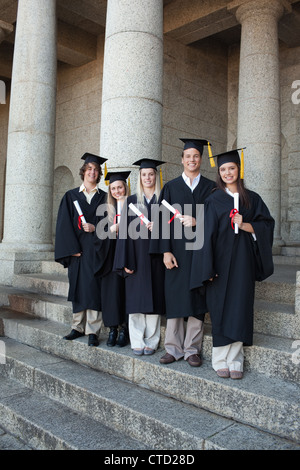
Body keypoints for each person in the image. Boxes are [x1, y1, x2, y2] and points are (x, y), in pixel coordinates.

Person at [190, 148, 275, 379]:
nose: (228, 172)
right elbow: (205, 236)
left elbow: (267, 225)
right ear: (219, 172)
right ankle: (220, 359)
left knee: (239, 308)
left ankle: (236, 359)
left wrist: (246, 224)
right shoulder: (213, 200)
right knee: (220, 309)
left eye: (232, 168)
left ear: (239, 169)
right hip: (218, 265)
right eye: (223, 169)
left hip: (243, 264)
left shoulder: (252, 199)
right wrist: (206, 268)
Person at [150, 138, 215, 367]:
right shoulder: (171, 187)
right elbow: (161, 221)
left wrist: (198, 220)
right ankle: (173, 349)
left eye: (196, 156)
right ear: (182, 160)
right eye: (188, 156)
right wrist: (165, 251)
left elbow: (217, 219)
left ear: (201, 160)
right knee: (176, 298)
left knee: (197, 299)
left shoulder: (210, 188)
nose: (192, 160)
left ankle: (192, 350)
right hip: (176, 252)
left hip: (200, 253)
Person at [113, 158, 165, 356]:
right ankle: (136, 340)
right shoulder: (131, 202)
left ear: (156, 176)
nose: (148, 178)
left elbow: (174, 228)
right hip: (135, 256)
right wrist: (125, 261)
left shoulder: (163, 200)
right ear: (140, 177)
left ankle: (151, 340)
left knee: (154, 299)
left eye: (151, 174)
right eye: (144, 174)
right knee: (136, 300)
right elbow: (124, 234)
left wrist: (159, 228)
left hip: (156, 257)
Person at [55, 152, 107, 346]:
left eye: (96, 169)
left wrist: (95, 228)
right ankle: (77, 327)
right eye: (89, 169)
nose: (92, 172)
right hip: (78, 251)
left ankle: (93, 330)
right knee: (77, 287)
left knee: (94, 288)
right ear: (84, 171)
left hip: (97, 250)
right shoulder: (71, 196)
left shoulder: (105, 198)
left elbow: (110, 224)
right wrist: (71, 249)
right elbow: (63, 225)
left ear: (99, 174)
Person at [94, 171, 130, 347]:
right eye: (114, 188)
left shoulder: (134, 207)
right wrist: (111, 231)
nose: (117, 191)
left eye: (120, 187)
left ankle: (124, 329)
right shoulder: (105, 210)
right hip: (110, 258)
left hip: (128, 257)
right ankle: (113, 329)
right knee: (111, 295)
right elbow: (98, 236)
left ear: (125, 188)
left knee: (125, 294)